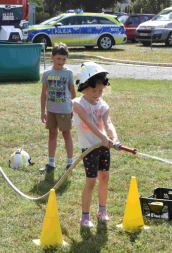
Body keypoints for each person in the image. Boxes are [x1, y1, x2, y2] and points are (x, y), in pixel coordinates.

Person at [72, 62, 119, 228]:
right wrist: (103, 139)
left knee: (104, 179)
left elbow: (108, 122)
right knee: (91, 181)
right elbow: (90, 123)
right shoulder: (78, 104)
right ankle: (85, 217)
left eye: (101, 90)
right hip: (90, 148)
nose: (98, 94)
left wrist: (114, 138)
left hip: (103, 147)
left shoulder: (103, 104)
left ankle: (102, 211)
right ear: (83, 87)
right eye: (94, 91)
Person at [40, 43, 76, 173]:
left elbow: (73, 93)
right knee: (52, 134)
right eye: (58, 58)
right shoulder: (47, 73)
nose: (61, 62)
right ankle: (51, 163)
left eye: (64, 59)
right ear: (52, 57)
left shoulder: (69, 73)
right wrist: (42, 112)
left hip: (65, 110)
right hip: (51, 110)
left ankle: (70, 162)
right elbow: (43, 93)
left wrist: (73, 110)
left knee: (66, 135)